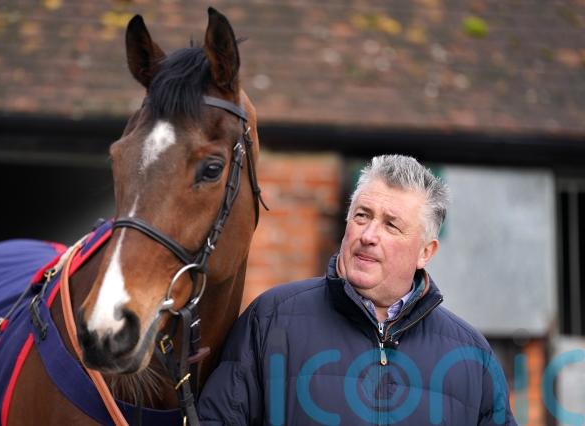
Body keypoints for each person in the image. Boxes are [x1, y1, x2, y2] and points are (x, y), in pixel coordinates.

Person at [198, 155, 517, 425]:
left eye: (391, 225)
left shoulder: (473, 357)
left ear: (425, 252)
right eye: (362, 216)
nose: (368, 235)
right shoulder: (270, 320)